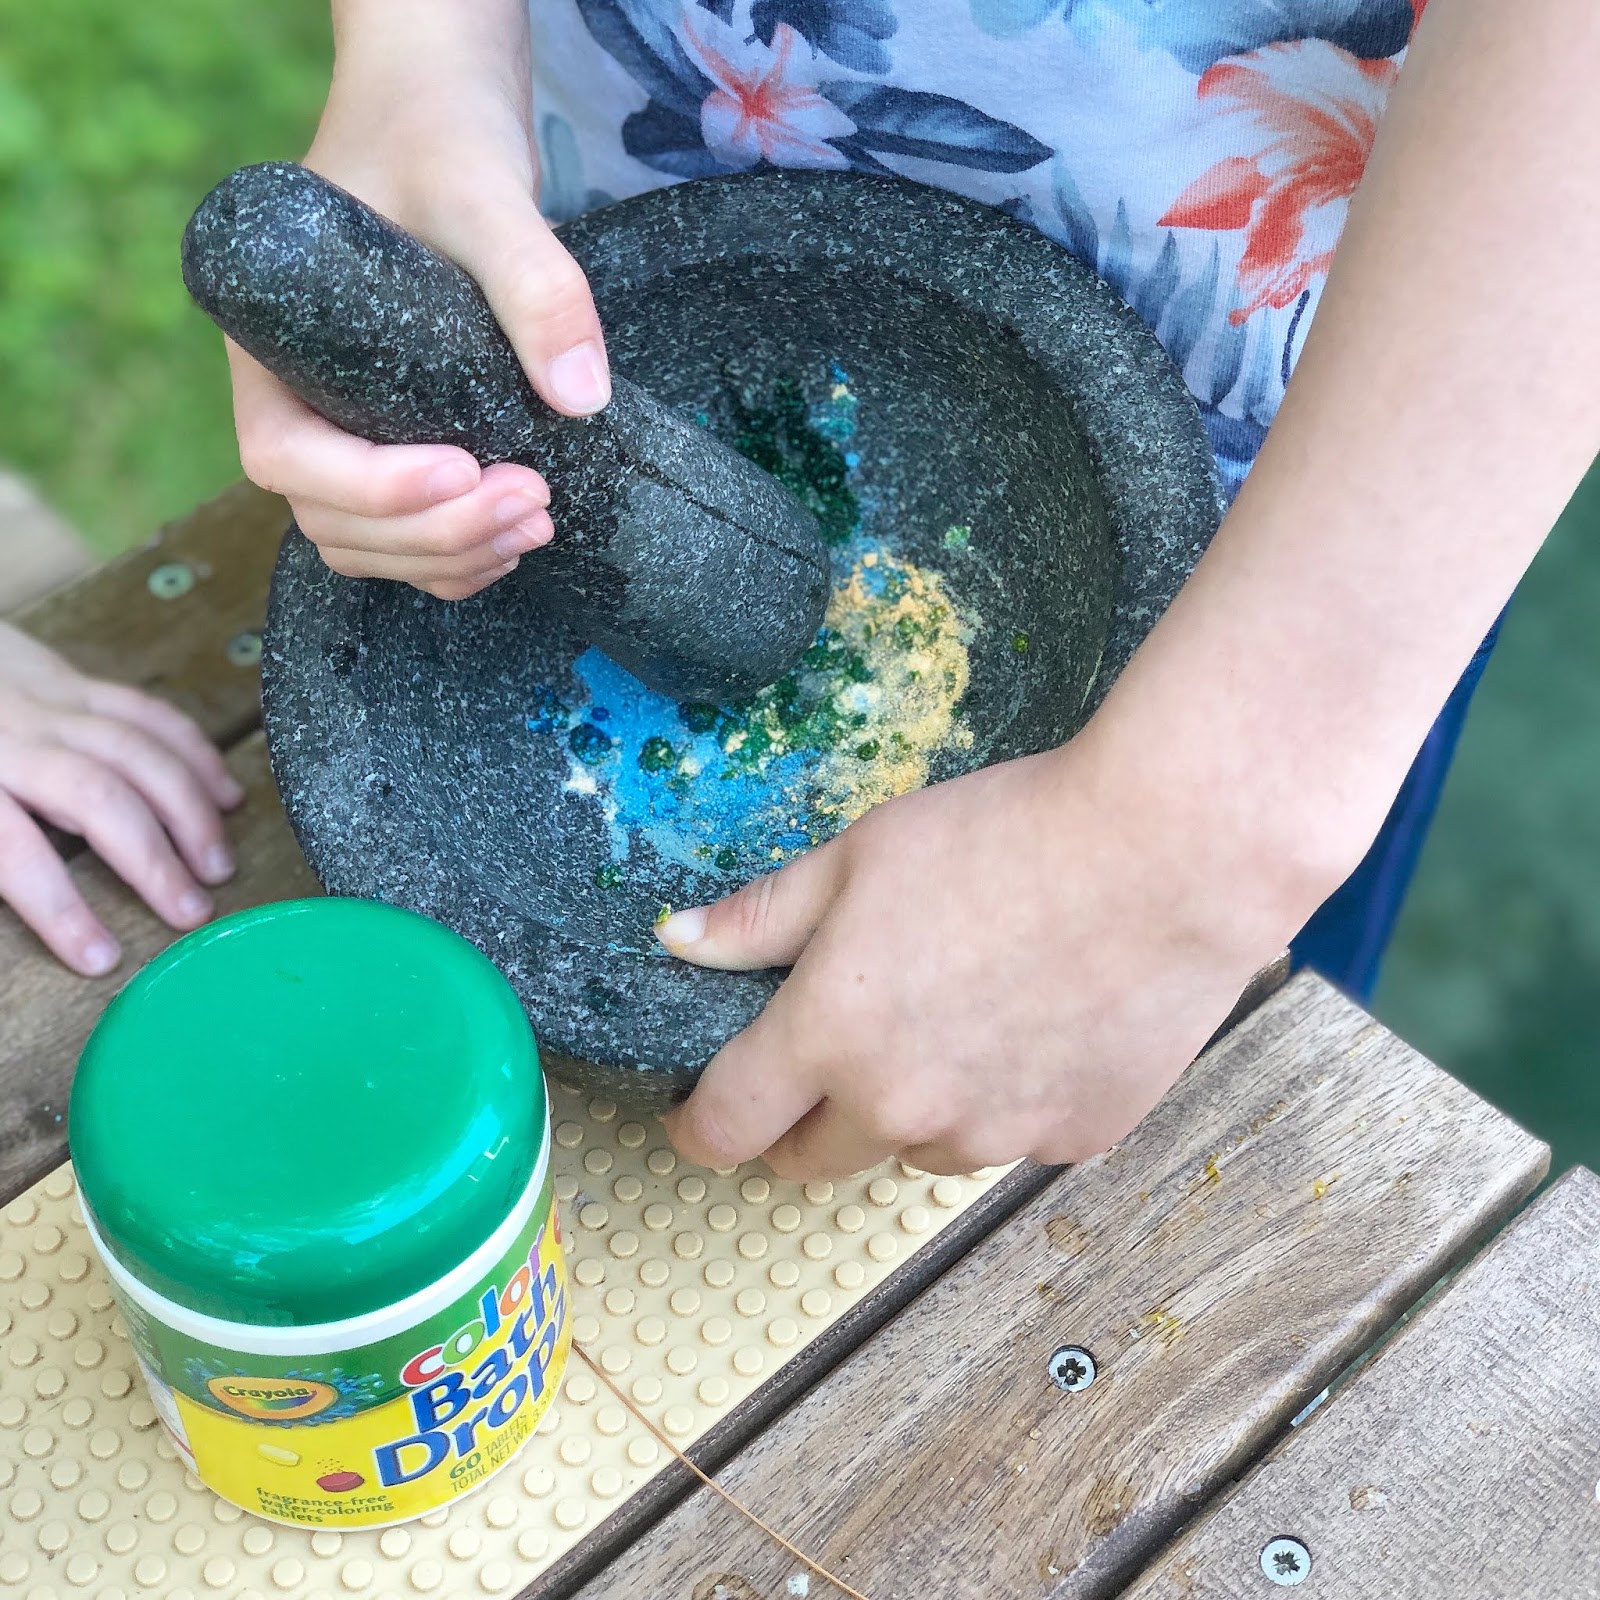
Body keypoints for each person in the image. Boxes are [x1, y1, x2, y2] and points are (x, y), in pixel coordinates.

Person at [14, 0, 1597, 1181]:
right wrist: (425, 62)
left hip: (1314, 522)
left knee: (1237, 1120)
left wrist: (1198, 833)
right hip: (584, 197)